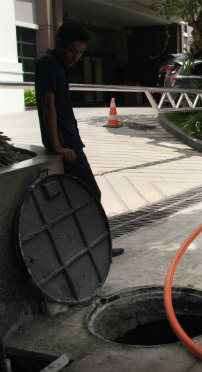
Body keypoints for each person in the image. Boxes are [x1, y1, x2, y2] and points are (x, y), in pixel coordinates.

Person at [35, 23, 124, 257]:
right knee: (91, 194)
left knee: (78, 197)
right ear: (59, 44)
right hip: (66, 144)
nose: (76, 57)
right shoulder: (48, 64)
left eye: (81, 53)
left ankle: (86, 246)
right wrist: (57, 145)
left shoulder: (58, 65)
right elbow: (47, 104)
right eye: (73, 51)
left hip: (70, 140)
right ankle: (97, 247)